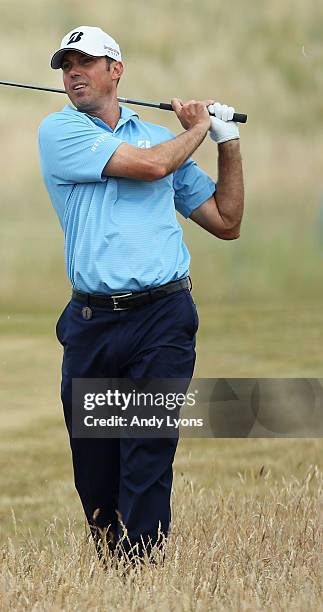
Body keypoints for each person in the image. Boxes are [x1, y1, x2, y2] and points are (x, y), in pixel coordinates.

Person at [38, 26, 244, 565]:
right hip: (93, 324)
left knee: (147, 452)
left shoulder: (161, 138)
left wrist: (227, 141)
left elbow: (226, 221)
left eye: (86, 62)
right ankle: (113, 565)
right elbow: (152, 165)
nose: (74, 73)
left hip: (163, 318)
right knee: (96, 470)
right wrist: (199, 126)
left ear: (116, 70)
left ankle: (142, 572)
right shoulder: (60, 132)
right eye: (66, 65)